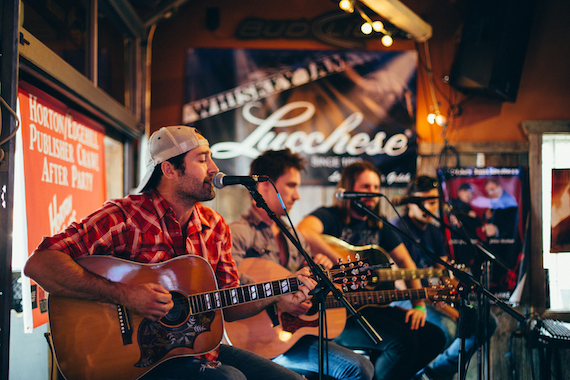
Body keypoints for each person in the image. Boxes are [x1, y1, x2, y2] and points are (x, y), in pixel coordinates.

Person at [23, 126, 317, 380]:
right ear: (169, 169)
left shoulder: (214, 227)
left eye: (211, 158)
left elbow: (228, 303)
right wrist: (125, 296)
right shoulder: (123, 216)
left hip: (200, 351)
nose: (214, 169)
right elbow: (40, 264)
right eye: (202, 160)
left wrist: (276, 293)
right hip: (138, 362)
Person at [229, 149, 374, 380]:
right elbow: (230, 290)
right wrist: (277, 298)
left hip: (294, 334)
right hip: (259, 340)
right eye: (291, 185)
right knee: (355, 369)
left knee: (362, 366)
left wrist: (321, 269)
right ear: (264, 186)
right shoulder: (237, 234)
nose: (297, 195)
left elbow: (306, 282)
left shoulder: (291, 235)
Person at [297, 161, 446, 380]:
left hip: (369, 305)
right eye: (366, 186)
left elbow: (406, 263)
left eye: (376, 187)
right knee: (402, 344)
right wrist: (342, 262)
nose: (373, 193)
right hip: (336, 311)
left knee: (434, 337)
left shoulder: (378, 224)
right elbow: (305, 230)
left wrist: (419, 306)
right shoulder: (331, 216)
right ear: (348, 188)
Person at [390, 175, 497, 380]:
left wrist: (460, 295)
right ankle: (424, 374)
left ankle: (435, 371)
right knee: (449, 328)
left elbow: (441, 278)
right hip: (405, 297)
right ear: (409, 202)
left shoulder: (436, 232)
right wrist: (448, 310)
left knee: (486, 321)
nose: (427, 207)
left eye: (432, 201)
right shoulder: (397, 227)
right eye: (421, 201)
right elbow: (403, 283)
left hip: (433, 297)